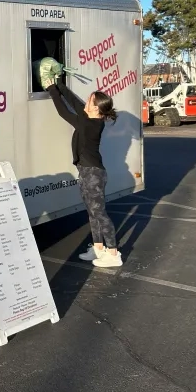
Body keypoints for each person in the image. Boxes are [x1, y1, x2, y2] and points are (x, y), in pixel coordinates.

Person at [42, 75, 122, 268]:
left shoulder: (91, 125)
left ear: (96, 108)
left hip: (94, 174)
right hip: (87, 172)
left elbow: (64, 111)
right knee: (92, 213)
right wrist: (60, 84)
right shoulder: (90, 119)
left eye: (89, 100)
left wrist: (52, 89)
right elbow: (74, 103)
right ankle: (98, 248)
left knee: (100, 213)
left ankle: (113, 253)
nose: (85, 101)